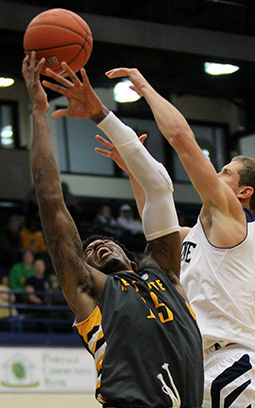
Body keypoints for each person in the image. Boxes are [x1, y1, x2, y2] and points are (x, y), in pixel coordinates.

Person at [23, 53, 203, 407]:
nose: (98, 248)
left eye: (105, 242)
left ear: (129, 254)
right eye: (90, 252)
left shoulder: (164, 274)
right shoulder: (92, 291)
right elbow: (51, 202)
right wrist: (39, 114)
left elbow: (159, 188)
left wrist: (100, 115)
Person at [102, 68, 255, 407]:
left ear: (244, 192)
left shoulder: (233, 219)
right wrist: (134, 172)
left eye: (225, 171)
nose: (215, 173)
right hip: (198, 365)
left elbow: (182, 139)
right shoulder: (201, 234)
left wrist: (145, 87)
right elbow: (156, 221)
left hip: (235, 366)